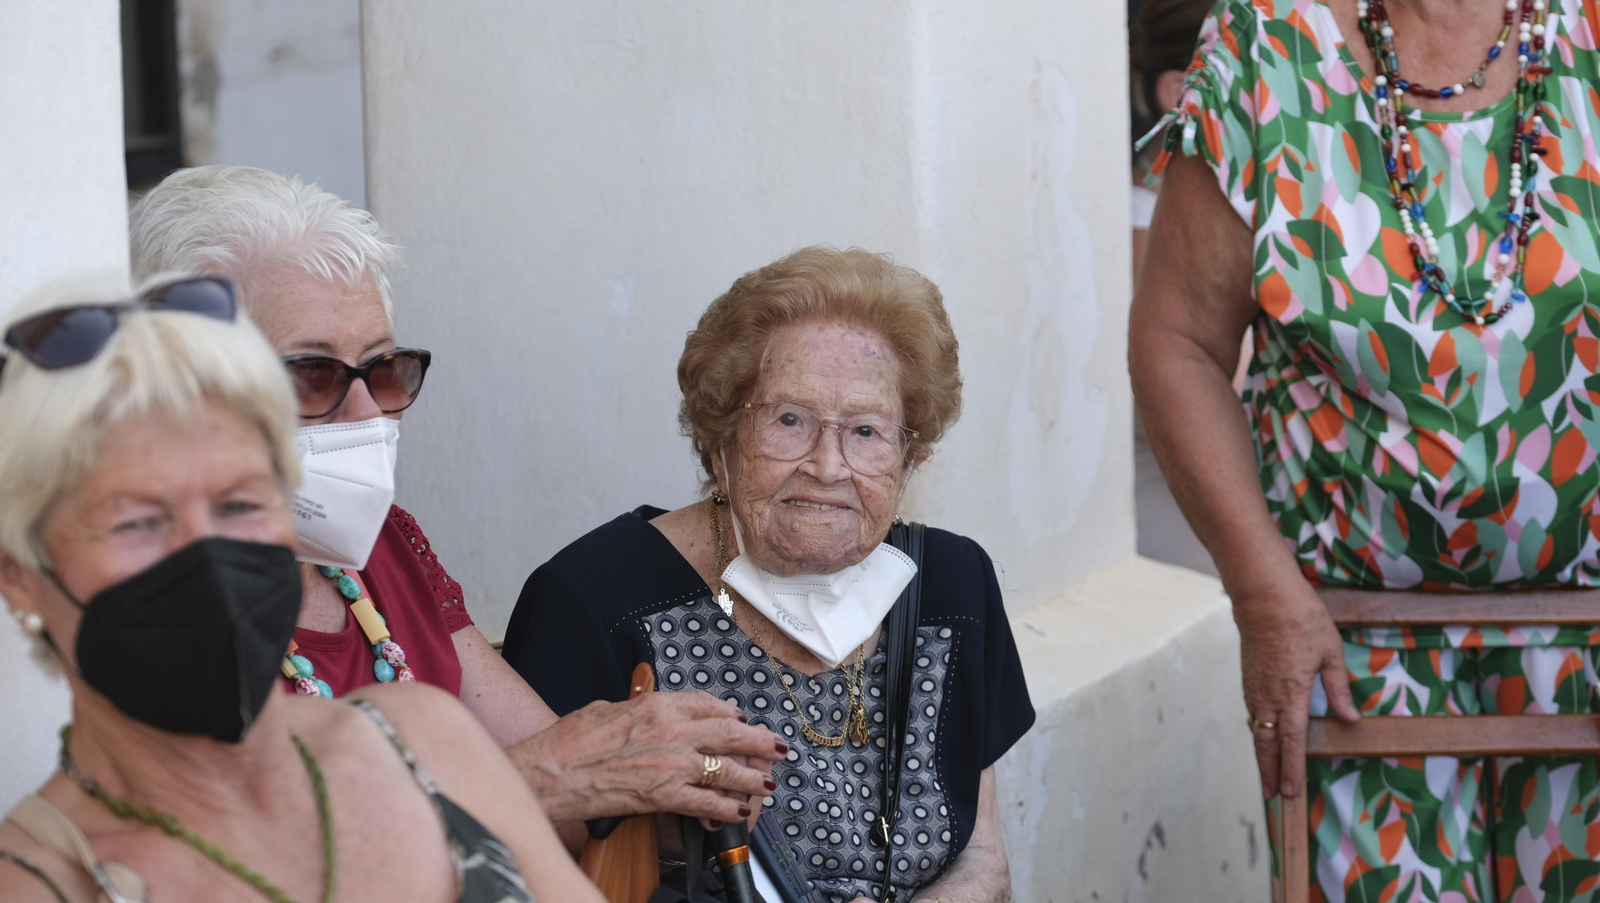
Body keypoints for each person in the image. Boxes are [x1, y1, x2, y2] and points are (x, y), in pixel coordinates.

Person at [127, 165, 784, 848]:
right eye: (312, 373)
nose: (364, 413)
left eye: (382, 369)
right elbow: (259, 867)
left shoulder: (383, 547)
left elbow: (567, 818)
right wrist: (546, 778)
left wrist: (653, 762)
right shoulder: (143, 605)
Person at [1130, 0, 1600, 899]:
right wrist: (1263, 590)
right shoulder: (1267, 44)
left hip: (1591, 636)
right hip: (1348, 649)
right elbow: (1178, 343)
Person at [0, 273, 602, 902]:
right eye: (138, 522)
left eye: (239, 503)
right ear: (18, 572)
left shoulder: (420, 740)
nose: (210, 553)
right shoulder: (41, 884)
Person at [504, 247, 1035, 903]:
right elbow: (525, 863)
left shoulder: (953, 586)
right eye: (790, 419)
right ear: (720, 433)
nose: (828, 465)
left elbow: (983, 859)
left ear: (910, 452)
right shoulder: (596, 599)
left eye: (866, 430)